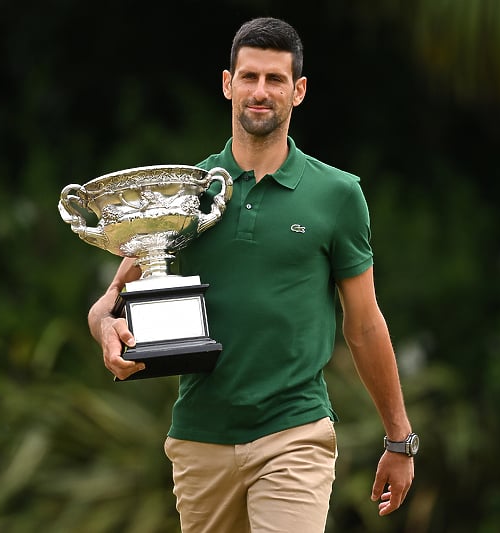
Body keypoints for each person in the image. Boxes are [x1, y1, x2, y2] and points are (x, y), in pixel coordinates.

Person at [88, 17, 415, 533]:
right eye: (249, 77)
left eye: (275, 79)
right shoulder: (183, 195)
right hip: (200, 441)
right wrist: (107, 329)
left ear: (298, 91)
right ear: (227, 83)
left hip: (294, 434)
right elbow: (108, 301)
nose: (260, 92)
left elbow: (365, 324)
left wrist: (399, 439)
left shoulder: (338, 195)